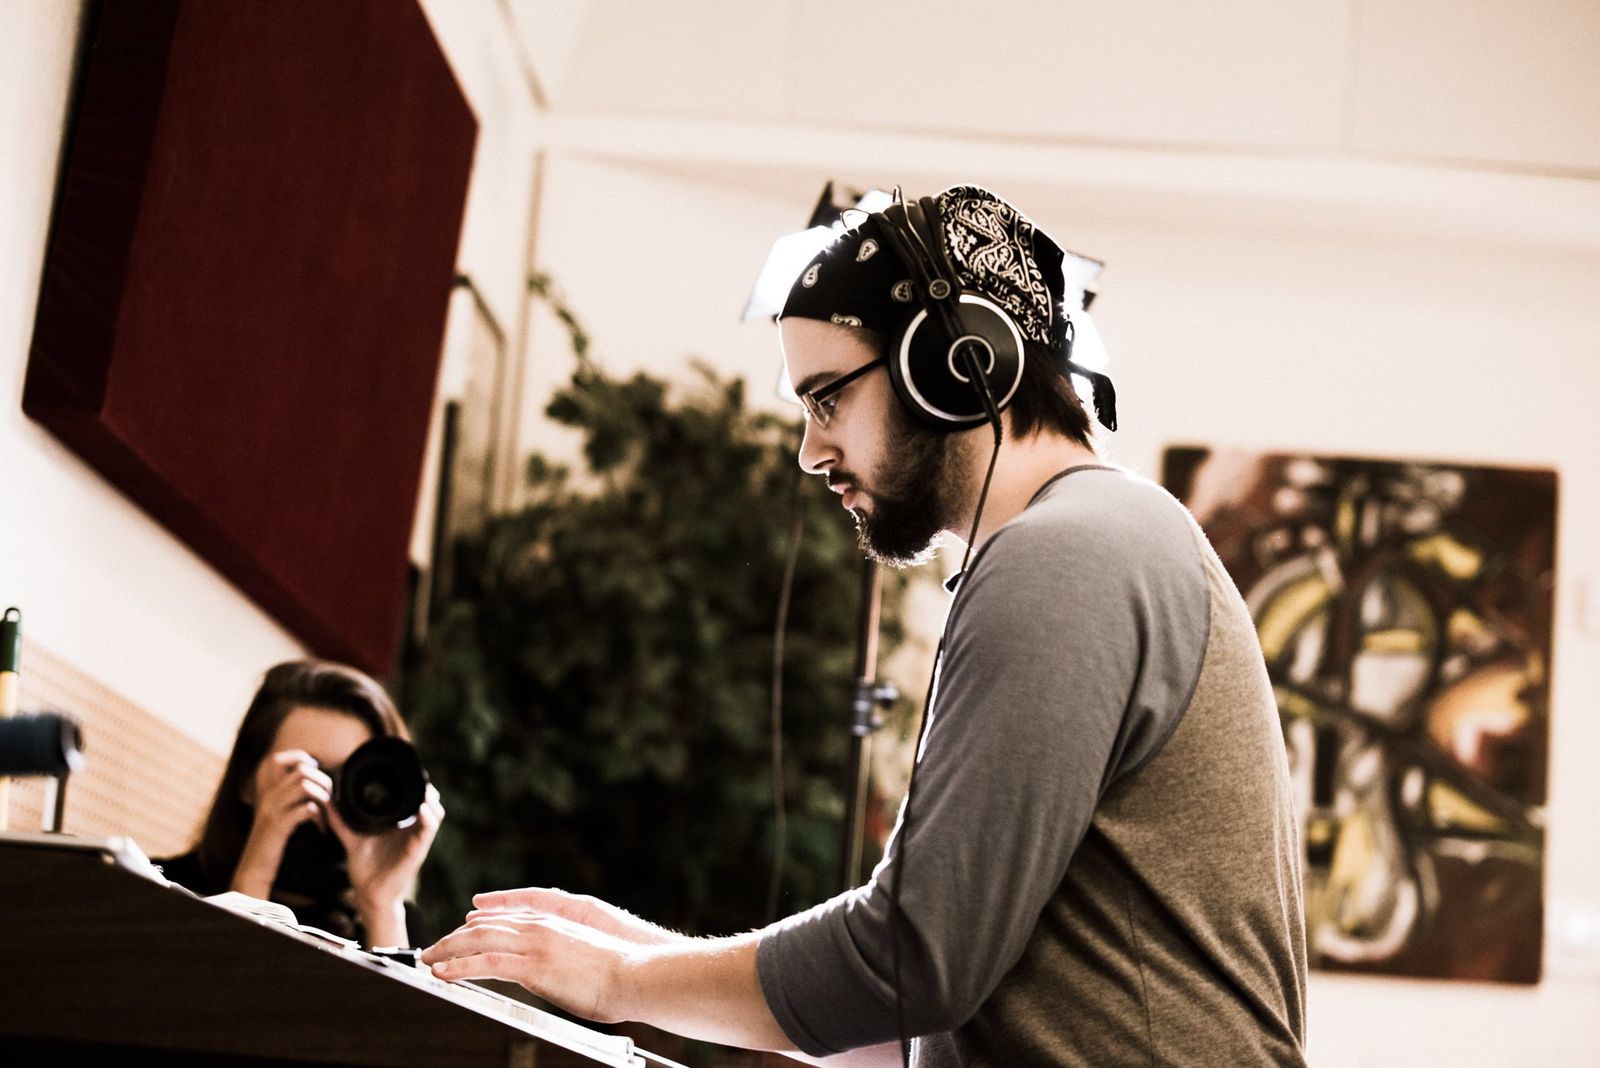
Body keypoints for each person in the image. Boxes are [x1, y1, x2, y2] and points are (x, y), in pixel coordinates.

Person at [422, 186, 1307, 1065]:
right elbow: (928, 1017)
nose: (810, 452)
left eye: (826, 399)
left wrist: (621, 980)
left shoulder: (1069, 555)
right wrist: (645, 957)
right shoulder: (1104, 542)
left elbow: (911, 961)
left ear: (950, 364)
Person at [160, 659, 444, 949]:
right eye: (306, 771)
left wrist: (380, 906)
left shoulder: (395, 924)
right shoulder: (163, 887)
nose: (326, 795)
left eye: (350, 778)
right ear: (246, 780)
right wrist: (253, 879)